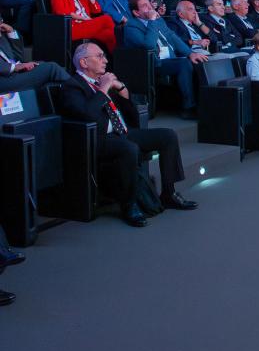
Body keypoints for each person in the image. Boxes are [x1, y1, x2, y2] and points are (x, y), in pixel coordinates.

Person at [58, 43, 193, 226]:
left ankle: (169, 193)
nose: (105, 61)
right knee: (129, 148)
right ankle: (129, 205)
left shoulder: (102, 82)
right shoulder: (72, 86)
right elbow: (87, 115)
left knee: (168, 135)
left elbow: (130, 114)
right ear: (84, 62)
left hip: (121, 132)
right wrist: (104, 89)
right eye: (99, 56)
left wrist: (120, 88)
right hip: (96, 139)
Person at [124, 0, 208, 120]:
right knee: (184, 64)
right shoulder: (131, 26)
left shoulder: (158, 20)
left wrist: (190, 53)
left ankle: (204, 105)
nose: (150, 8)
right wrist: (152, 21)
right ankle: (188, 108)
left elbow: (173, 37)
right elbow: (149, 45)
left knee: (198, 60)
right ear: (136, 12)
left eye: (149, 4)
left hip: (170, 59)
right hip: (152, 64)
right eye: (145, 6)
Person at [51, 0, 117, 51]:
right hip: (72, 28)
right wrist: (83, 18)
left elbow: (97, 10)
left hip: (86, 25)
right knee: (106, 18)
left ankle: (115, 60)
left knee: (108, 34)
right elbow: (62, 13)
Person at [0, 20, 68, 90]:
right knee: (52, 68)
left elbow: (18, 55)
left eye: (1, 20)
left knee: (45, 67)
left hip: (13, 74)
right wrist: (15, 67)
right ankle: (76, 91)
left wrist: (10, 32)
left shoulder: (2, 38)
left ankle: (72, 94)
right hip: (4, 79)